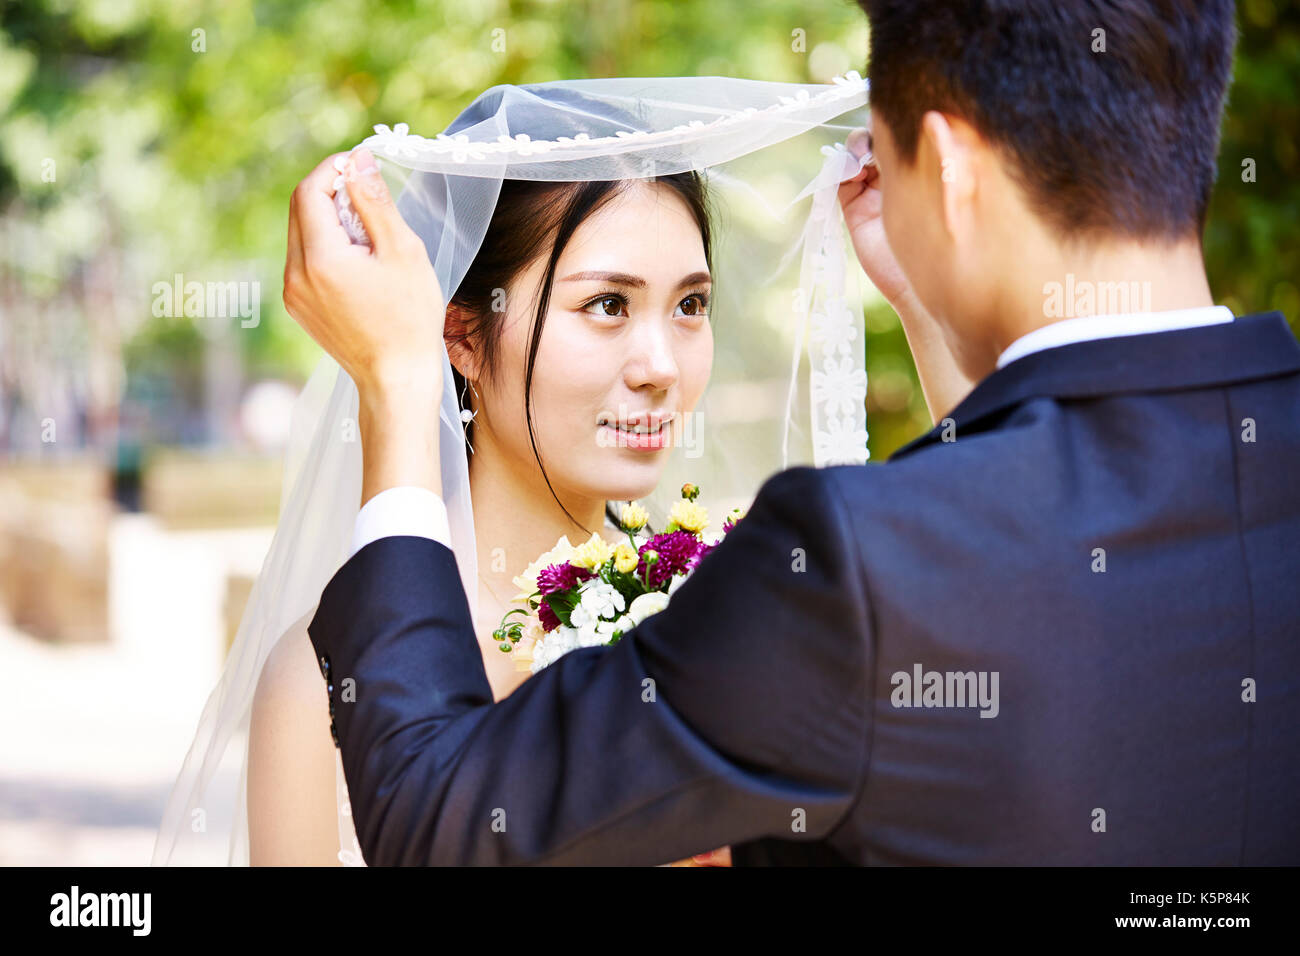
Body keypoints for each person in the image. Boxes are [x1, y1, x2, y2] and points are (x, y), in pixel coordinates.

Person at [291, 0, 1300, 866]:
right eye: (607, 304)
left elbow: (436, 817)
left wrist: (393, 382)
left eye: (691, 303)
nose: (656, 356)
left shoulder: (853, 573)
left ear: (944, 167)